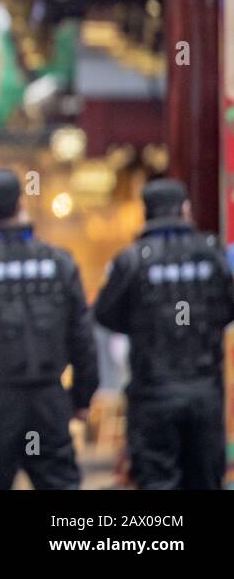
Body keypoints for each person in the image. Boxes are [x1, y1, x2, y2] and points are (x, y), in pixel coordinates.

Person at [0, 168, 99, 490]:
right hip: (48, 401)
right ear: (20, 203)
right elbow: (82, 335)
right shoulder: (59, 263)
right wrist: (82, 397)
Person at [94, 178, 234, 489]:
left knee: (156, 478)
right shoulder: (212, 255)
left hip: (152, 392)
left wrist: (141, 326)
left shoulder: (131, 260)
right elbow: (229, 307)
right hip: (205, 390)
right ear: (185, 209)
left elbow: (104, 314)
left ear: (146, 213)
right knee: (206, 480)